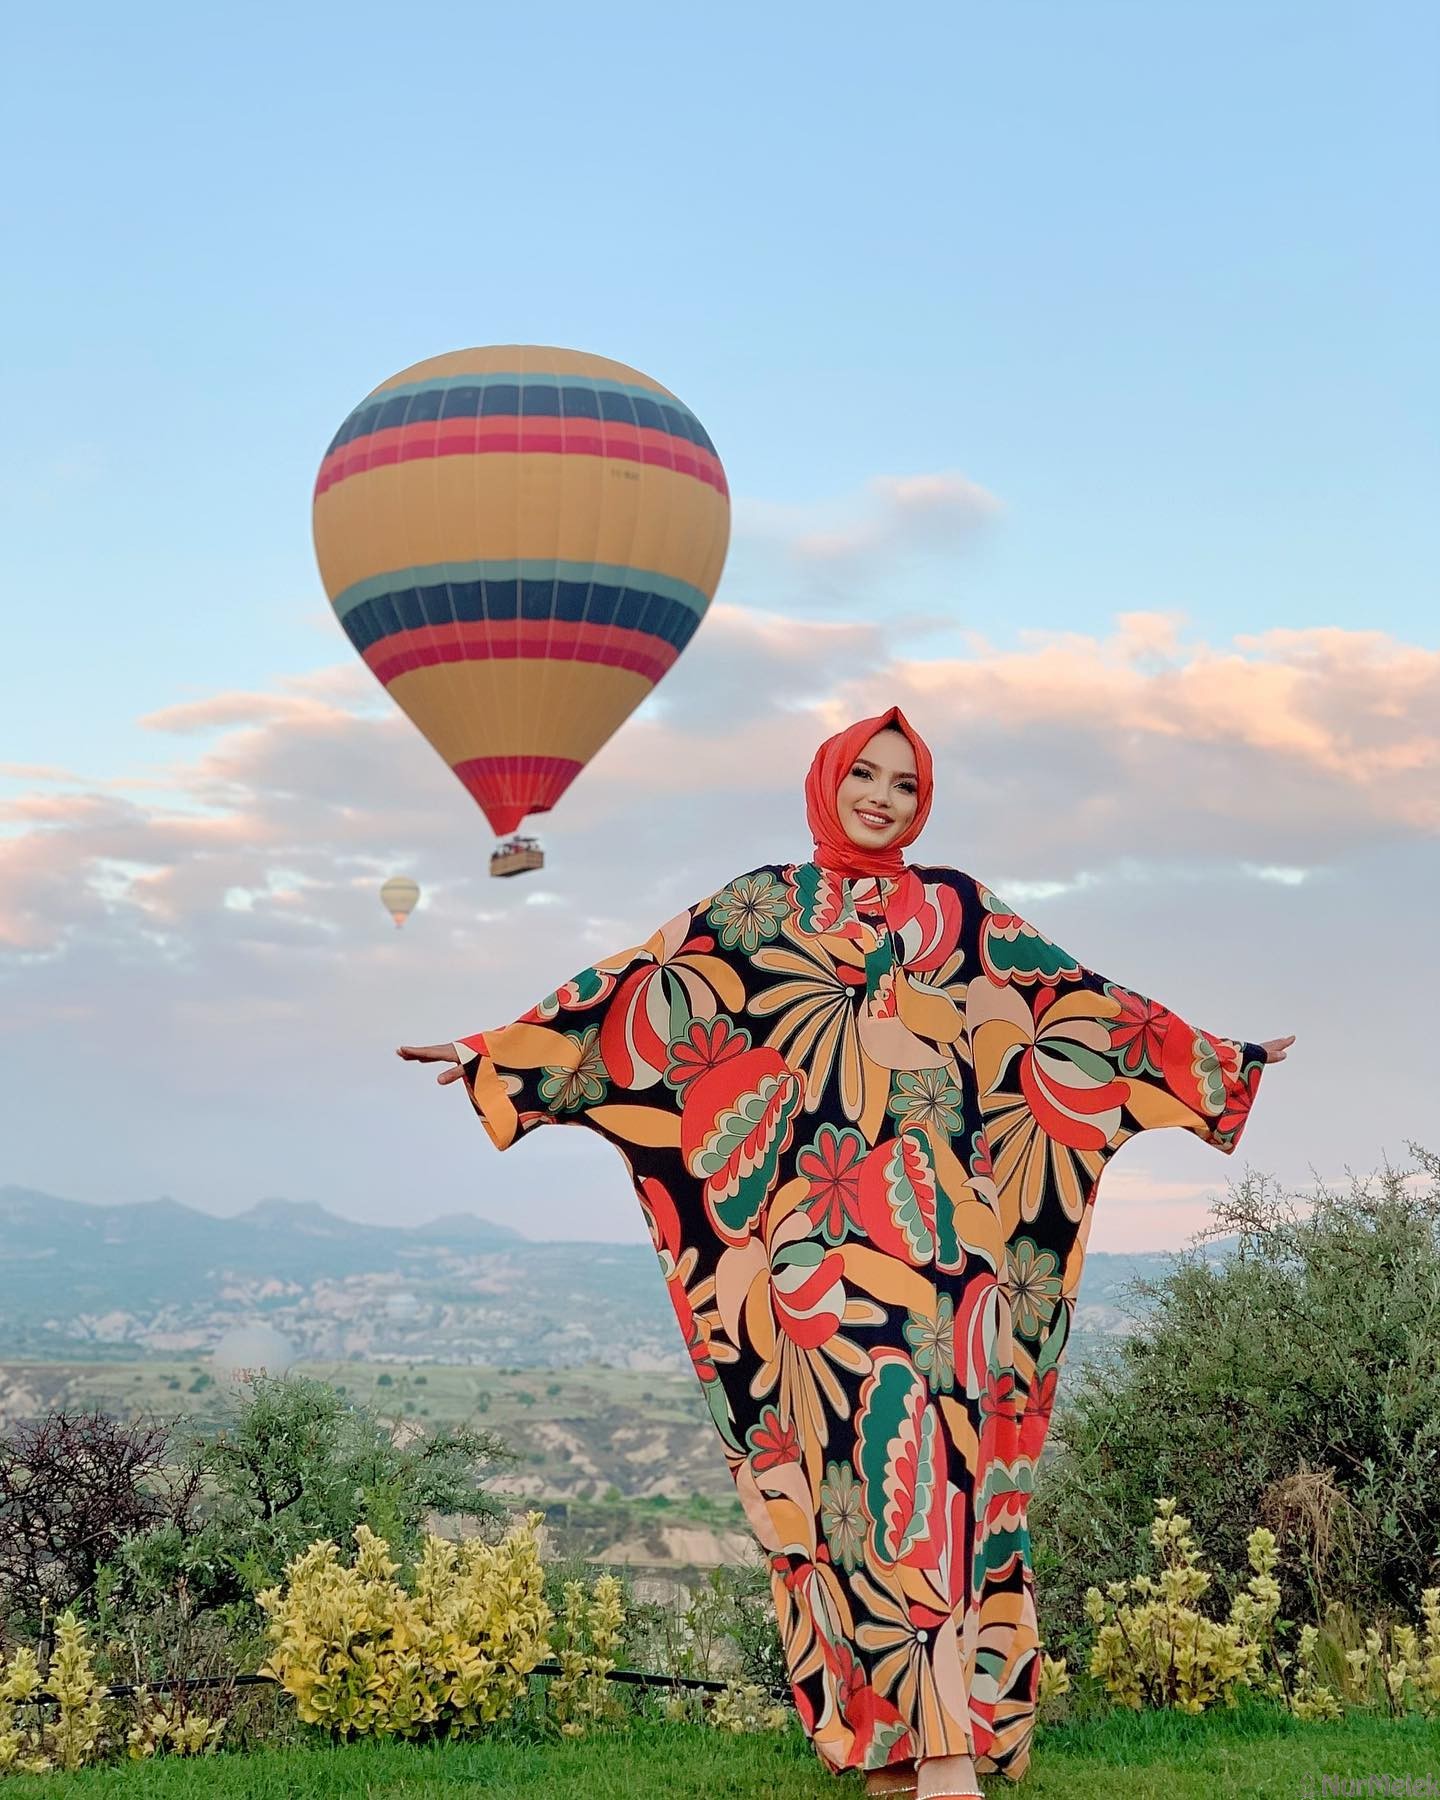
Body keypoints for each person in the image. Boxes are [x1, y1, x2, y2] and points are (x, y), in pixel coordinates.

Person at [399, 705, 1293, 1798]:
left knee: (941, 1484)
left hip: (950, 1254)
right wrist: (501, 1054)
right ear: (827, 782)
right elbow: (643, 992)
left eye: (905, 784)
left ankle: (948, 1753)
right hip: (812, 1259)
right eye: (865, 775)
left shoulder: (959, 912)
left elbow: (1076, 1008)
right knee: (852, 1495)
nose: (882, 796)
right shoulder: (762, 905)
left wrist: (1216, 1061)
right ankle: (889, 1748)